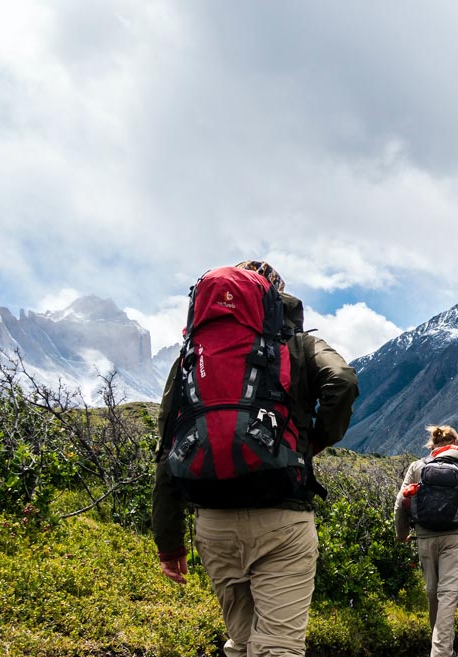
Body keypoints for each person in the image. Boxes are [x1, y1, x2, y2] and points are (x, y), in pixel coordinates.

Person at [152, 260, 359, 657]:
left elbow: (168, 446)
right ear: (274, 300)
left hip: (213, 524)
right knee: (277, 646)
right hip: (281, 518)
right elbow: (343, 382)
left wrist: (169, 543)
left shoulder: (191, 358)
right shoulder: (298, 346)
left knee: (241, 641)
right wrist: (314, 440)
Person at [395, 425, 458, 657]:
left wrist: (401, 535)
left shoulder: (417, 467)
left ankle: (439, 648)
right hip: (456, 539)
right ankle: (440, 652)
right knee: (448, 596)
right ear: (455, 443)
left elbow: (400, 504)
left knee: (433, 595)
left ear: (432, 445)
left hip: (425, 539)